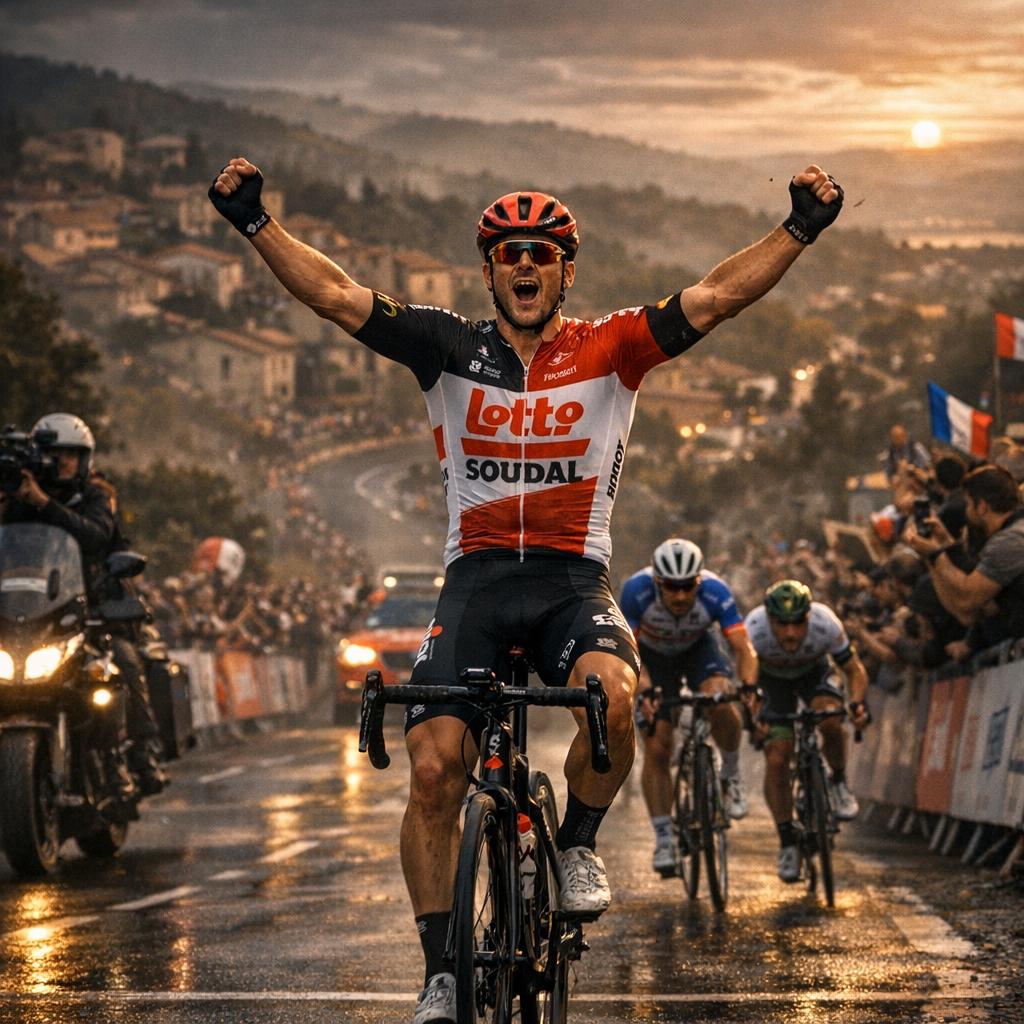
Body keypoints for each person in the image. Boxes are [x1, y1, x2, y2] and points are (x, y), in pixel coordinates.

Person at [210, 156, 843, 1023]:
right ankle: (441, 972)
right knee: (434, 771)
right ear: (489, 270)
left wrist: (798, 229)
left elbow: (717, 297)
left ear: (564, 271)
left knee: (613, 698)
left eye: (542, 252)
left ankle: (576, 845)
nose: (525, 264)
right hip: (474, 582)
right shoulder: (444, 345)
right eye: (508, 252)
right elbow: (335, 296)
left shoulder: (612, 347)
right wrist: (256, 223)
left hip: (569, 580)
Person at [0, 413, 167, 796]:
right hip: (30, 613)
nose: (62, 462)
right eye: (53, 454)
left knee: (123, 661)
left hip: (91, 608)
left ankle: (134, 755)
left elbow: (95, 538)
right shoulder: (17, 498)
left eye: (70, 454)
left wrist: (44, 503)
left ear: (84, 458)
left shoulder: (95, 495)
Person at [619, 538, 758, 876]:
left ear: (699, 581)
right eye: (671, 587)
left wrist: (749, 686)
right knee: (658, 746)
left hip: (699, 650)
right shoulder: (635, 591)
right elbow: (627, 651)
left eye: (688, 586)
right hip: (651, 658)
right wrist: (646, 691)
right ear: (657, 582)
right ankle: (664, 838)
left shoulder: (716, 590)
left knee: (720, 699)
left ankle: (730, 773)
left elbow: (743, 648)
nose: (680, 596)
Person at [745, 579, 870, 883]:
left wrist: (856, 704)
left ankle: (838, 781)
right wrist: (753, 719)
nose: (790, 633)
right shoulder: (753, 629)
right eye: (782, 624)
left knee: (830, 718)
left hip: (815, 673)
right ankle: (787, 841)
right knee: (777, 756)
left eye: (798, 623)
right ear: (769, 619)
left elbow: (854, 670)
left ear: (809, 617)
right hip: (772, 682)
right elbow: (746, 683)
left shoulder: (826, 623)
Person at [907, 464, 1024, 654]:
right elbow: (964, 612)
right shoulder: (1009, 536)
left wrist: (936, 555)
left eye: (969, 504)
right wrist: (943, 546)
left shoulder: (1009, 541)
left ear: (982, 507)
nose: (966, 511)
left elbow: (967, 601)